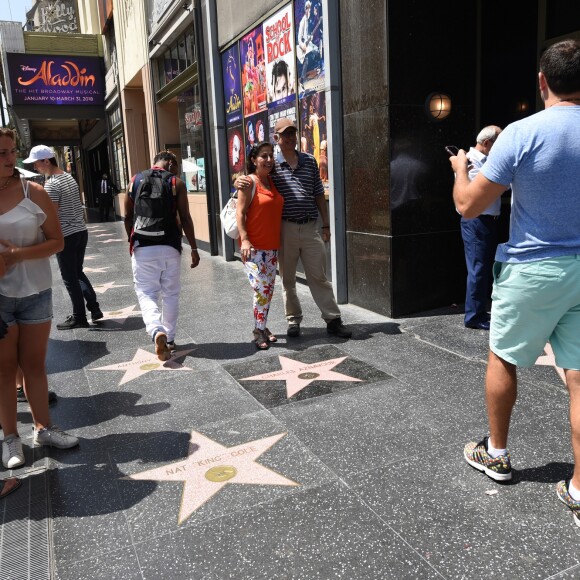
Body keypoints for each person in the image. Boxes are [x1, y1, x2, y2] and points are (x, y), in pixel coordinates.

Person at [450, 40, 580, 525]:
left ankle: (498, 454)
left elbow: (470, 205)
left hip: (531, 268)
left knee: (504, 357)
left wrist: (461, 169)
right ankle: (579, 487)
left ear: (543, 82)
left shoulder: (522, 133)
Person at [0, 129, 79, 470]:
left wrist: (19, 253)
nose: (9, 159)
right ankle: (9, 437)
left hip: (35, 291)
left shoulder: (34, 191)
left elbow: (58, 242)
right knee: (4, 371)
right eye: (1, 153)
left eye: (10, 151)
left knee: (33, 365)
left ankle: (43, 428)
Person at [236, 118, 351, 339]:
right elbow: (254, 178)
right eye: (284, 134)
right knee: (287, 278)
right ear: (277, 138)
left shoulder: (309, 161)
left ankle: (333, 319)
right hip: (285, 229)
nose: (289, 138)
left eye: (292, 133)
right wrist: (239, 181)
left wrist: (326, 224)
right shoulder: (272, 164)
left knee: (318, 276)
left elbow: (318, 193)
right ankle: (293, 320)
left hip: (310, 227)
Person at [124, 150, 200, 361]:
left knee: (146, 292)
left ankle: (157, 331)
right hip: (170, 247)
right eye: (175, 166)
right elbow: (185, 217)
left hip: (143, 247)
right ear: (170, 163)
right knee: (171, 293)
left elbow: (127, 216)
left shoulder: (135, 180)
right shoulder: (176, 183)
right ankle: (171, 337)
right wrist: (194, 248)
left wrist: (132, 243)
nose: (176, 170)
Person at [25, 145, 103, 330]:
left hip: (66, 235)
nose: (36, 168)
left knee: (69, 277)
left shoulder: (52, 184)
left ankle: (79, 317)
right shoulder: (69, 178)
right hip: (80, 231)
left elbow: (51, 214)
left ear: (46, 161)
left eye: (36, 163)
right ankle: (94, 307)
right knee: (77, 272)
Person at [236, 142, 284, 350]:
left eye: (271, 156)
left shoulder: (273, 182)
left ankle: (262, 326)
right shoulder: (249, 182)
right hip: (253, 248)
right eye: (264, 156)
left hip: (271, 248)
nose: (269, 160)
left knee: (268, 290)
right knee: (261, 289)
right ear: (254, 160)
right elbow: (240, 212)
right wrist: (245, 238)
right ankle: (258, 330)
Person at [459, 125, 503, 330]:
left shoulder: (483, 161)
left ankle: (478, 312)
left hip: (486, 221)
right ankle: (474, 316)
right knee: (478, 268)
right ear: (487, 144)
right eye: (499, 143)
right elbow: (487, 190)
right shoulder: (471, 161)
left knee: (482, 267)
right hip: (477, 221)